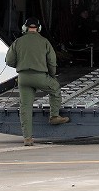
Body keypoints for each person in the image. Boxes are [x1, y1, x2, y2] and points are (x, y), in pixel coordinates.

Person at [6, 17, 70, 146]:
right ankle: (54, 116)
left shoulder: (18, 42)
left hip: (23, 78)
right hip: (40, 76)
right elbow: (52, 62)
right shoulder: (44, 42)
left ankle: (27, 138)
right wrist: (52, 76)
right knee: (55, 89)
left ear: (24, 28)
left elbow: (9, 61)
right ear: (39, 28)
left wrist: (22, 65)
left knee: (25, 107)